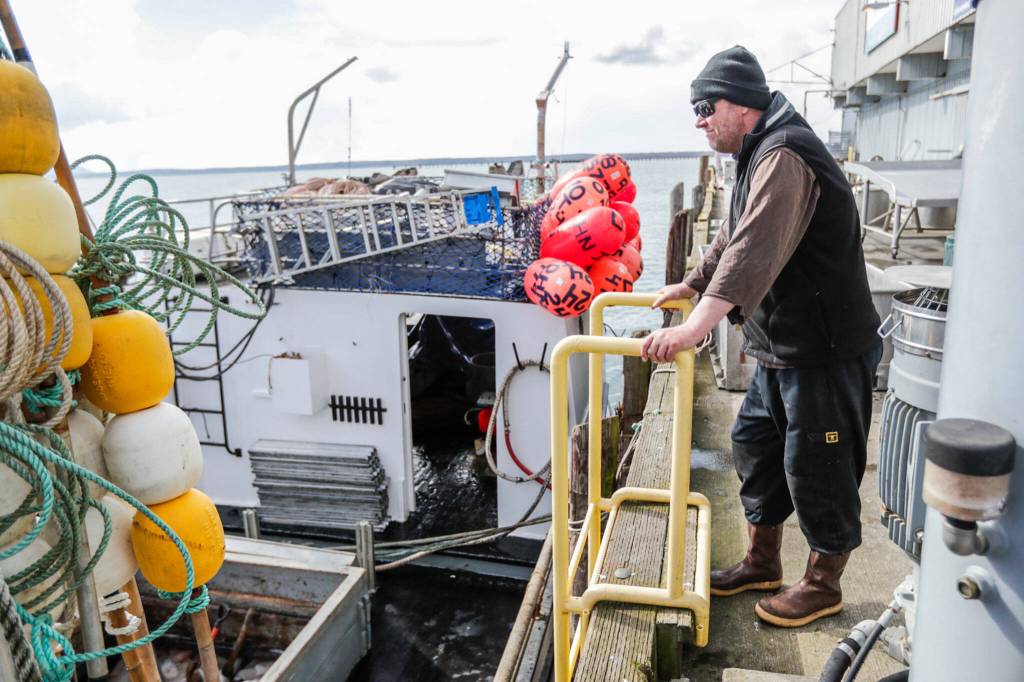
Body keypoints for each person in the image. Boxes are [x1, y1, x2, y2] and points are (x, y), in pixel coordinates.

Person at [641, 45, 882, 628]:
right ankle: (763, 561)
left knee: (817, 466)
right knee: (754, 443)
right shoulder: (755, 150)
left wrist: (695, 330)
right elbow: (731, 233)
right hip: (781, 348)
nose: (698, 120)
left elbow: (753, 252)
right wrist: (691, 284)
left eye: (704, 107)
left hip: (823, 349)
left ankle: (823, 585)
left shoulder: (786, 154)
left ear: (740, 104)